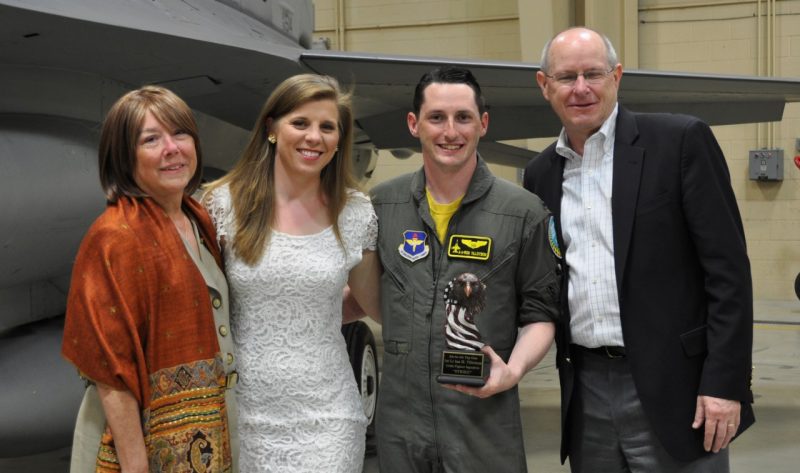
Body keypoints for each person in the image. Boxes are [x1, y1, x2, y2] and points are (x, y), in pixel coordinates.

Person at [523, 27, 755, 473]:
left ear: (617, 76)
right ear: (544, 84)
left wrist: (725, 384)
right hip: (586, 388)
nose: (581, 88)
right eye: (567, 76)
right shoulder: (541, 175)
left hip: (680, 389)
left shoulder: (680, 142)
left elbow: (728, 275)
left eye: (593, 73)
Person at [370, 65, 560, 473]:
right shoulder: (381, 206)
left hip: (483, 423)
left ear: (483, 124)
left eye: (463, 118)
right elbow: (364, 295)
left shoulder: (523, 212)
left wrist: (514, 371)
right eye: (436, 117)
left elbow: (540, 314)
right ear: (413, 123)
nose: (450, 132)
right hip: (401, 429)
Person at [202, 73, 381, 472]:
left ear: (340, 139)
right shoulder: (222, 204)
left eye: (327, 127)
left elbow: (373, 304)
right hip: (243, 413)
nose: (314, 137)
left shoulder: (355, 213)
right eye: (300, 123)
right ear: (271, 128)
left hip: (329, 416)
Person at [62, 85, 238, 473]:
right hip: (136, 444)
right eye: (151, 139)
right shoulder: (115, 237)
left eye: (180, 133)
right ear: (125, 156)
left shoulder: (197, 219)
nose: (172, 148)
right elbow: (111, 375)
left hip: (210, 431)